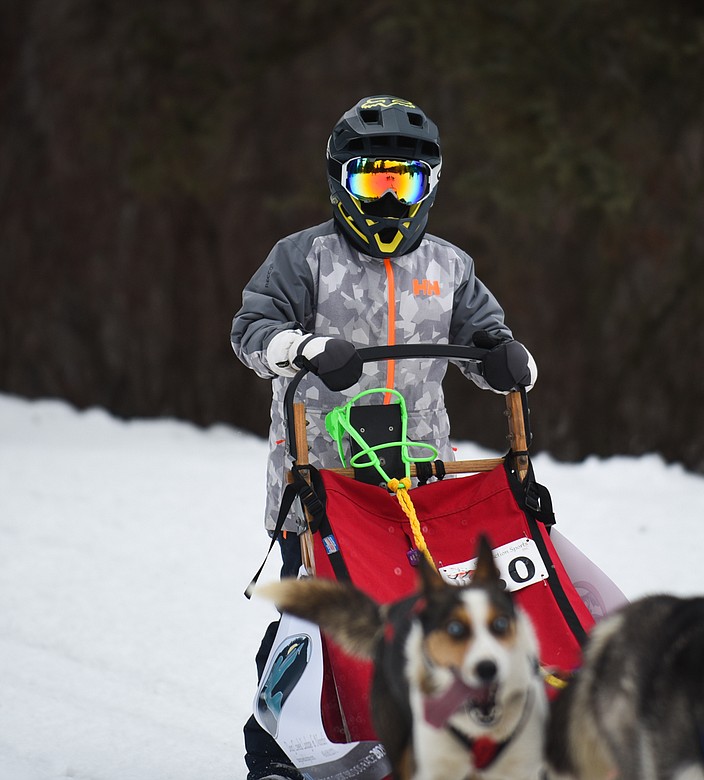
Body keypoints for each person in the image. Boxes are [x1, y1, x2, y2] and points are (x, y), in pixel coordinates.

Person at [230, 94, 536, 780]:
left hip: (422, 482)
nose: (392, 199)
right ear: (343, 181)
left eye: (408, 182)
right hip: (322, 482)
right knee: (318, 616)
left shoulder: (451, 267)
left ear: (431, 187)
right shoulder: (301, 257)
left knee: (423, 616)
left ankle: (405, 738)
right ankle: (276, 749)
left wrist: (508, 360)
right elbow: (250, 330)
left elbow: (486, 339)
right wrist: (301, 347)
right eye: (377, 181)